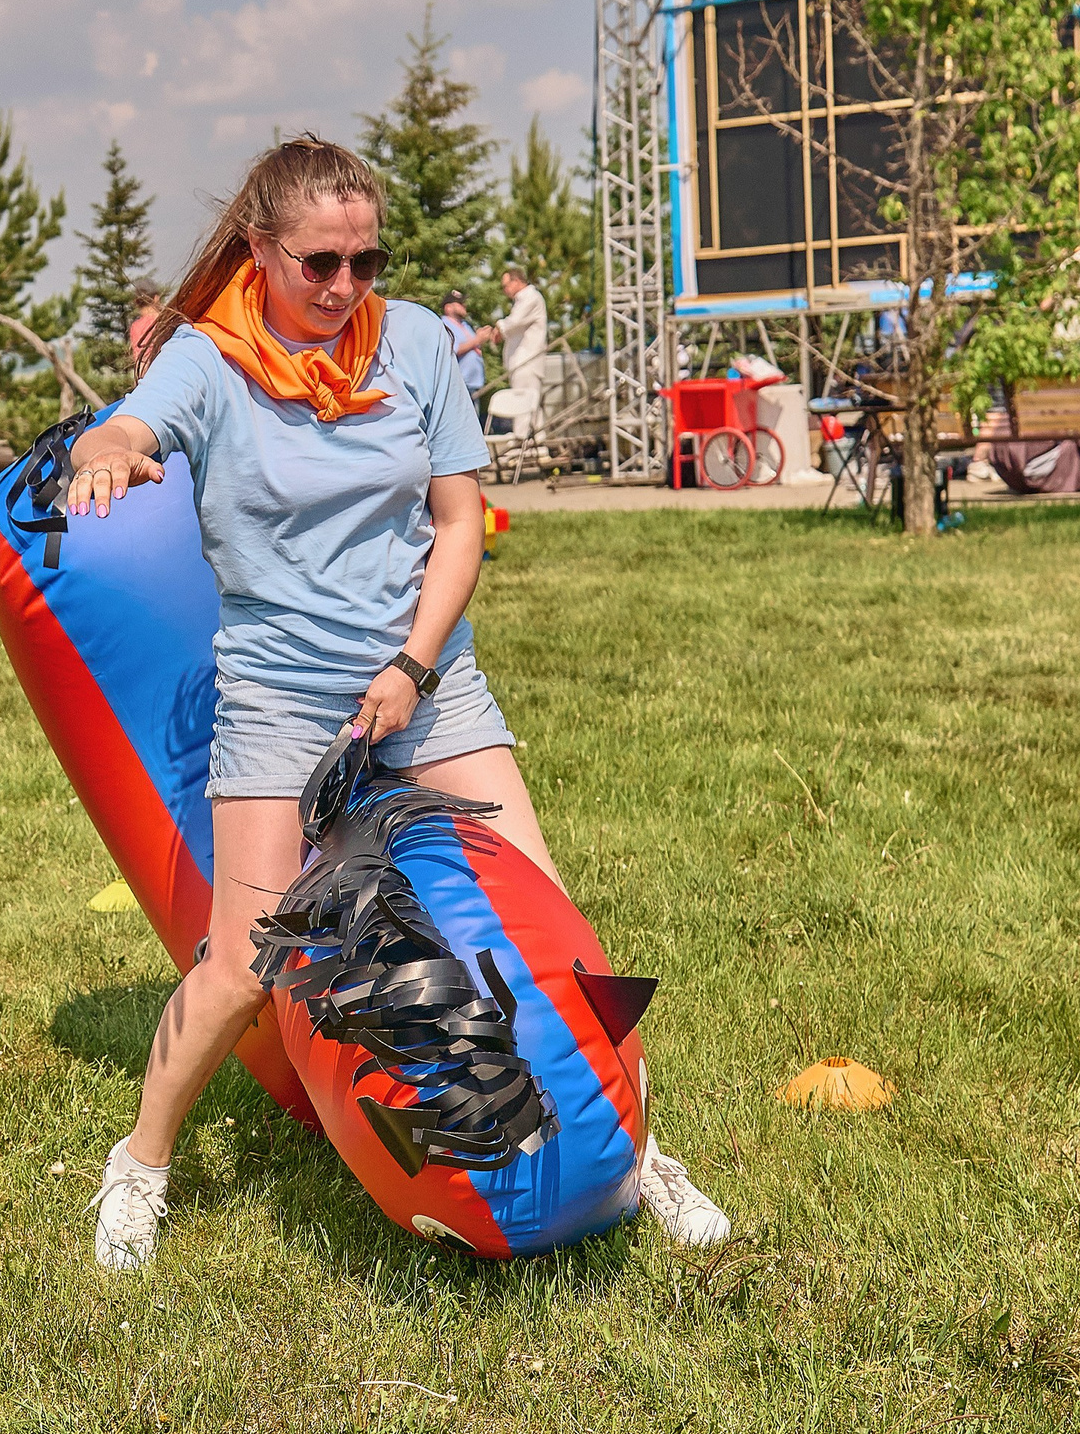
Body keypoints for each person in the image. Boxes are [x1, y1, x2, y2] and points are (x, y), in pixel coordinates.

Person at [66, 135, 730, 1272]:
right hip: (279, 696)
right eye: (320, 263)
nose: (345, 288)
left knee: (558, 945)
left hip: (424, 681)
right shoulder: (207, 361)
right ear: (260, 249)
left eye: (367, 262)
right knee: (241, 963)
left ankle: (634, 1151)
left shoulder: (414, 341)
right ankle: (140, 1165)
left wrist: (411, 668)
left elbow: (461, 525)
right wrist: (110, 448)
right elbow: (131, 423)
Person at [467, 268, 549, 436]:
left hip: (527, 361)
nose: (505, 290)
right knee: (530, 405)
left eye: (506, 285)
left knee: (523, 405)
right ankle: (537, 444)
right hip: (522, 362)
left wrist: (497, 328)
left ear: (516, 281)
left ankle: (522, 443)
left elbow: (513, 322)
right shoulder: (523, 300)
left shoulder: (530, 297)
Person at [440, 290, 485, 403]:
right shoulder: (444, 325)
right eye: (459, 303)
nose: (464, 306)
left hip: (472, 384)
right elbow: (454, 349)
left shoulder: (465, 325)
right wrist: (478, 340)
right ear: (448, 308)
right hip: (458, 385)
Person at [127, 279, 163, 358]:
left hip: (148, 370)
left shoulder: (135, 327)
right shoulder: (164, 320)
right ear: (156, 298)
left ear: (136, 302)